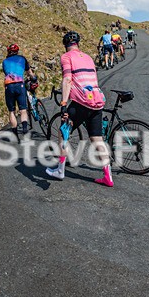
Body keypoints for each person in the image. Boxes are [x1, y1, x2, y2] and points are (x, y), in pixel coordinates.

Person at [46, 31, 114, 187]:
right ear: (78, 44)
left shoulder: (66, 57)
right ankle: (108, 176)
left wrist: (64, 103)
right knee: (97, 139)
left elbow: (68, 79)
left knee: (63, 132)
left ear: (65, 45)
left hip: (81, 102)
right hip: (96, 101)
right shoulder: (89, 58)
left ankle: (60, 170)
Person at [2, 43, 33, 139]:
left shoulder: (4, 61)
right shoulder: (22, 59)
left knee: (11, 111)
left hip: (9, 86)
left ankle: (15, 134)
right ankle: (24, 128)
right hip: (20, 84)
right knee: (23, 110)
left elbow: (6, 72)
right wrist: (34, 78)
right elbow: (29, 72)